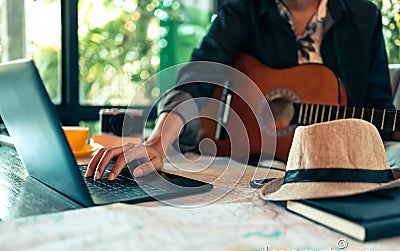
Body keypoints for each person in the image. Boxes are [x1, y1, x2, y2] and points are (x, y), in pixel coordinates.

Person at [85, 0, 399, 180]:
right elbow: (199, 75)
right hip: (251, 165)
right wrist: (156, 143)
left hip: (336, 170)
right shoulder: (243, 9)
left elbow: (379, 107)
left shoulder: (364, 16)